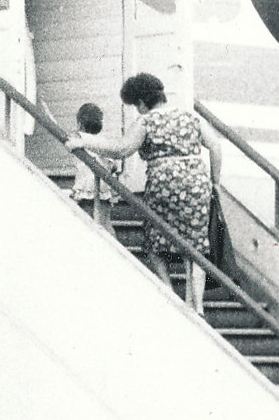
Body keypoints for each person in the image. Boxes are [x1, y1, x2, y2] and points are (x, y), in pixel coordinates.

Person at [67, 72, 223, 313]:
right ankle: (197, 307)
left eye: (135, 105)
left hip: (163, 184)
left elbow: (121, 149)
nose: (136, 110)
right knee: (195, 247)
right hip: (196, 184)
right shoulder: (191, 117)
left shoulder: (146, 122)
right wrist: (215, 182)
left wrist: (84, 141)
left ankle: (170, 295)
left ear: (141, 102)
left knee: (154, 243)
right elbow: (215, 146)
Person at [68, 102, 118, 214]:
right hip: (103, 191)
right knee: (103, 219)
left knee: (84, 218)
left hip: (85, 189)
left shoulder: (78, 139)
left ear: (80, 124)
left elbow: (67, 142)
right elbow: (113, 165)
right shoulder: (103, 141)